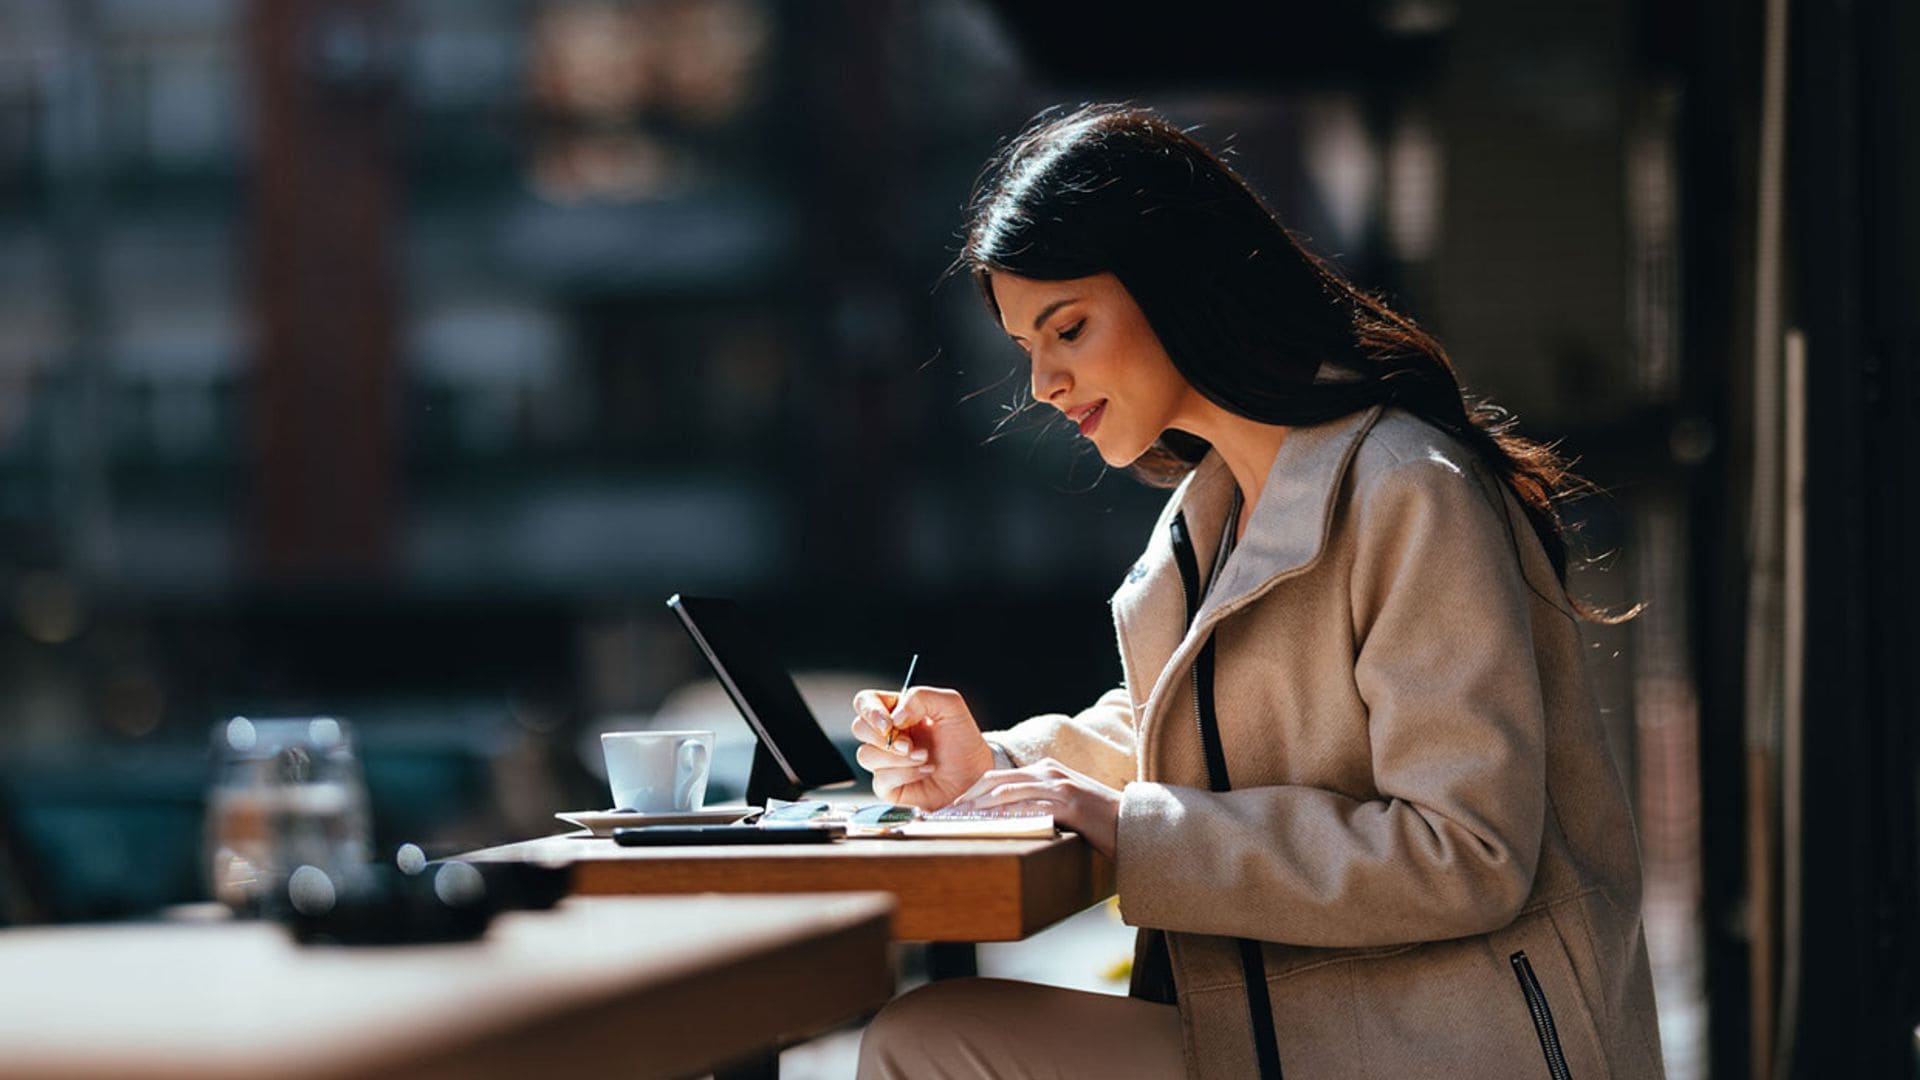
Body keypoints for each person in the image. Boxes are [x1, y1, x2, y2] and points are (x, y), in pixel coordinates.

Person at [849, 104, 1666, 1079]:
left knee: (931, 1045)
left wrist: (1133, 832)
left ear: (1175, 284)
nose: (1043, 382)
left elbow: (1467, 850)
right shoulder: (1216, 508)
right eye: (1028, 344)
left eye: (1066, 328)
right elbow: (1190, 729)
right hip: (1285, 1032)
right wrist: (994, 767)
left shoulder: (1408, 490)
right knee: (928, 1035)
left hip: (1443, 1043)